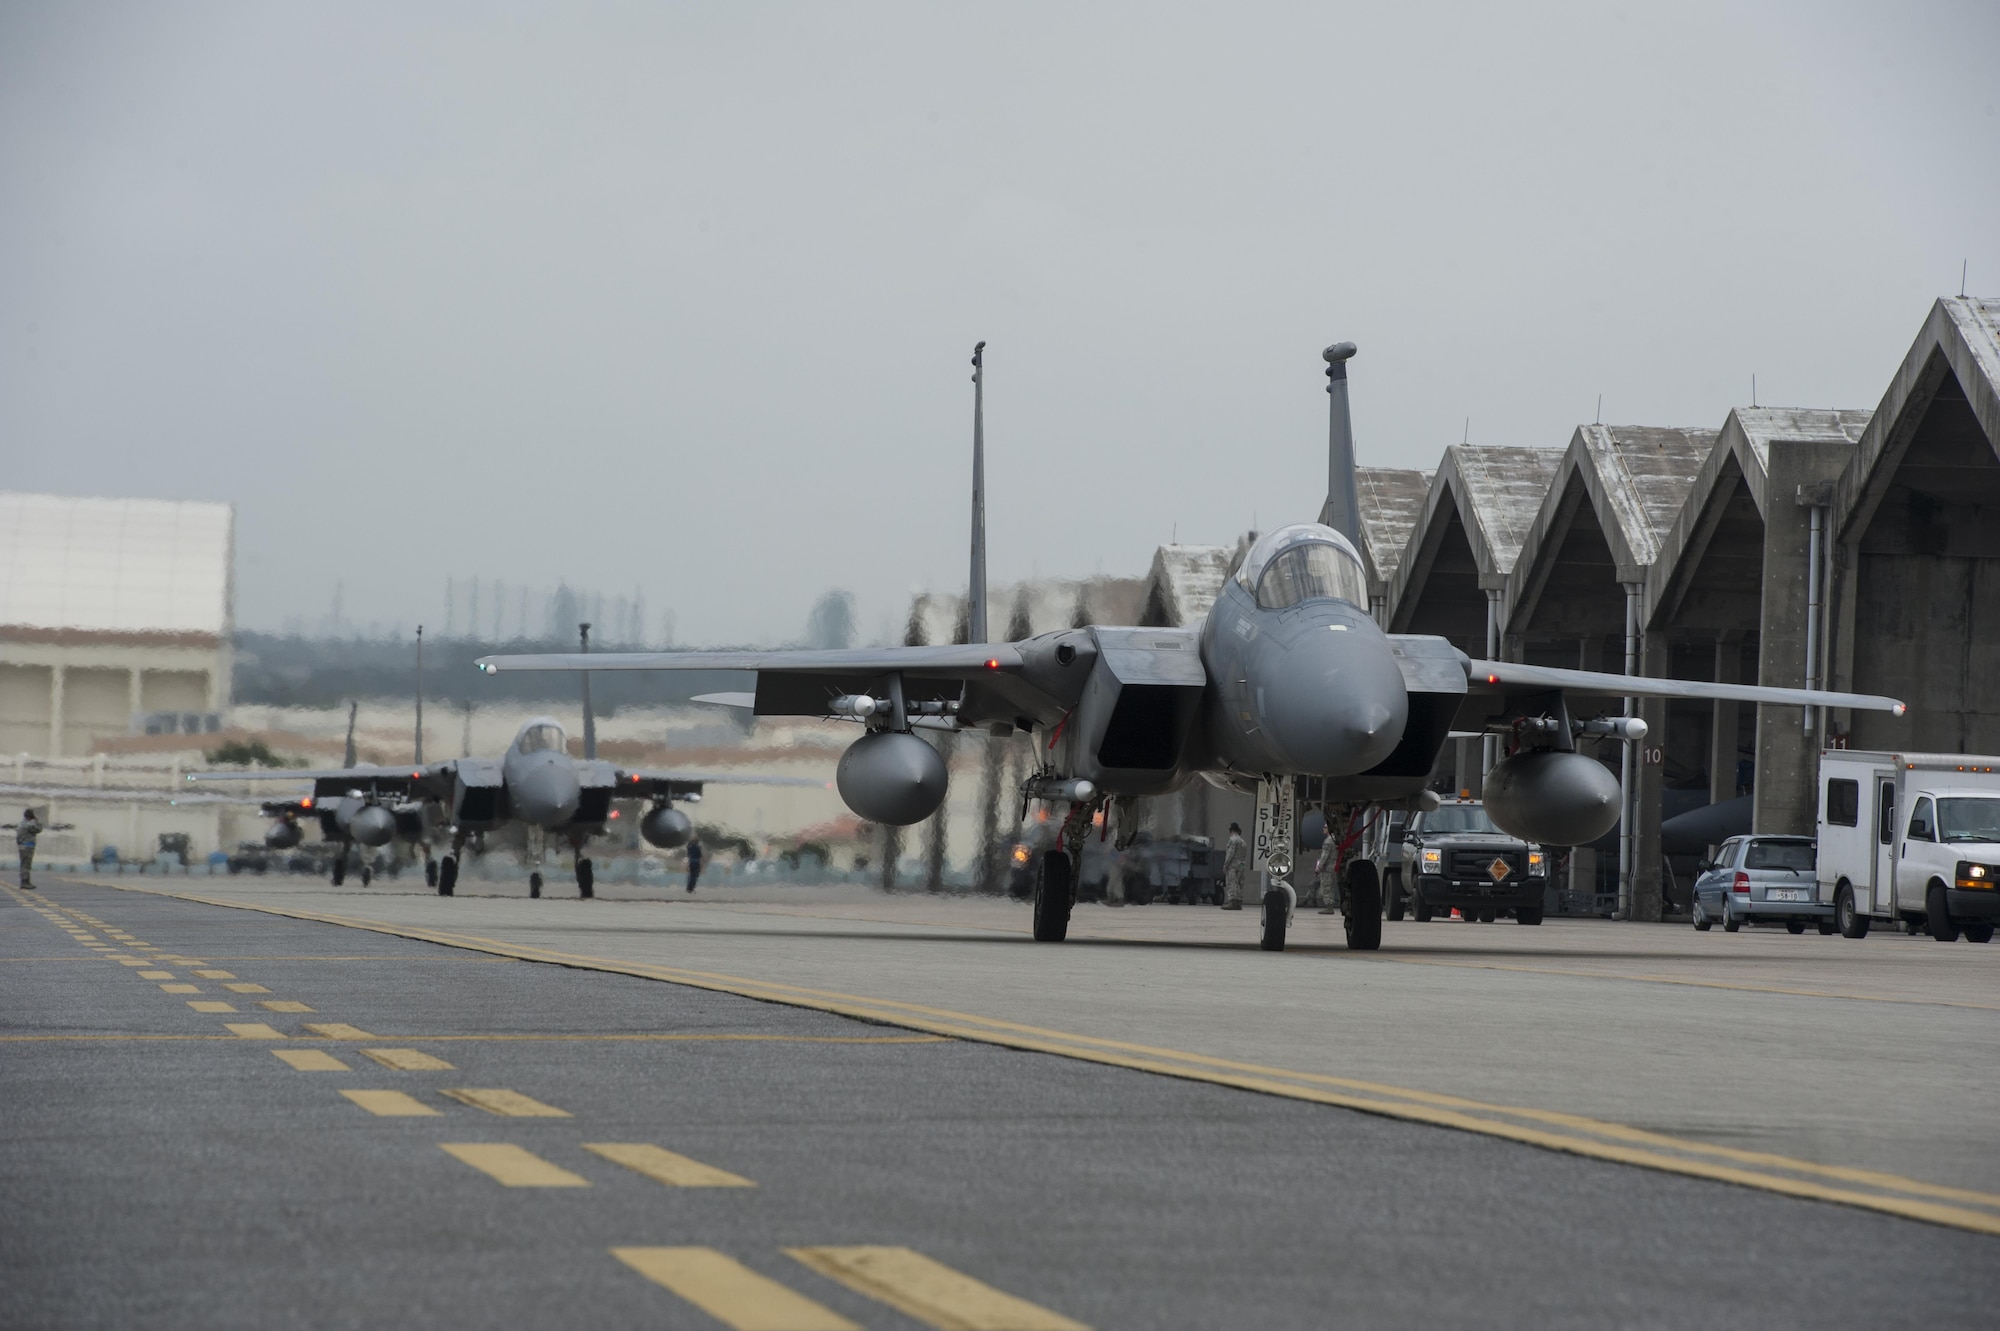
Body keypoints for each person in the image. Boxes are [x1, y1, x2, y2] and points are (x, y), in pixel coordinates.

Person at [1221, 822, 1248, 909]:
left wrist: (1225, 865)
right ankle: (1239, 902)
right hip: (1241, 865)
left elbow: (1230, 853)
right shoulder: (1243, 842)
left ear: (1231, 830)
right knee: (1239, 883)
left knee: (1232, 882)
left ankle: (1232, 902)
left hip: (1233, 865)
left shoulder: (1233, 840)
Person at [15, 808, 42, 890]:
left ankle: (26, 881)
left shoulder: (21, 823)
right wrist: (37, 821)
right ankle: (25, 882)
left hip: (22, 846)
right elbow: (38, 829)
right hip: (28, 846)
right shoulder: (29, 824)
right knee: (26, 864)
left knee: (24, 864)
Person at [1315, 839, 1341, 914]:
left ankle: (1329, 907)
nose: (1323, 829)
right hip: (1333, 866)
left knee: (1326, 887)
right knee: (1330, 886)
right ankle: (1330, 906)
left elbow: (1324, 856)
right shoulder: (1334, 840)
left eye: (1325, 827)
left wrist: (1319, 867)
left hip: (1327, 868)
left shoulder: (1328, 841)